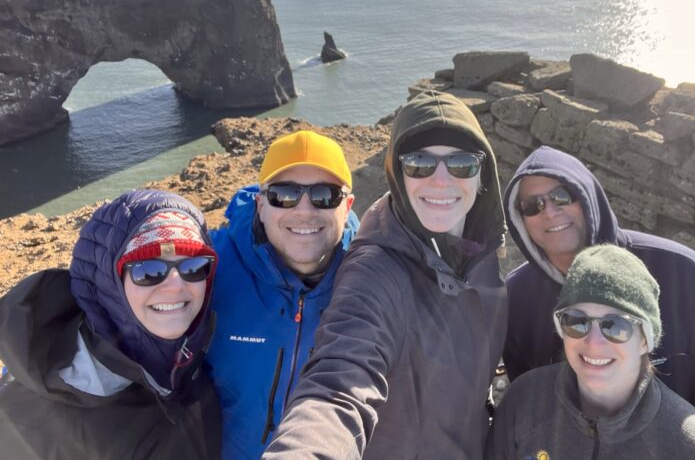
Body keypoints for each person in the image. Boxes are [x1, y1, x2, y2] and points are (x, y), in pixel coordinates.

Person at [263, 90, 508, 459]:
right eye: (420, 164)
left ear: (482, 174)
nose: (441, 180)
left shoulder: (483, 255)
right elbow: (339, 384)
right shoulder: (376, 270)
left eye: (461, 164)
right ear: (397, 173)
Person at [502, 145, 695, 450]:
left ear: (587, 196)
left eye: (562, 195)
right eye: (532, 205)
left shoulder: (685, 273)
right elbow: (528, 398)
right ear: (519, 219)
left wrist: (691, 450)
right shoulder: (517, 295)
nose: (549, 211)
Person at [0, 189, 221, 459]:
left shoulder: (202, 360)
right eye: (148, 271)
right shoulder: (29, 420)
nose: (176, 285)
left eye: (194, 267)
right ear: (108, 286)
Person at [486, 244, 695, 459]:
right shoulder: (525, 401)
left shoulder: (693, 448)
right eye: (577, 321)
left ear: (645, 341)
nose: (594, 342)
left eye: (616, 326)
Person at [203, 130, 358, 459]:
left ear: (348, 206)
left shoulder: (371, 280)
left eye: (325, 195)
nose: (304, 210)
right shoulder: (206, 267)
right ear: (260, 205)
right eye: (283, 195)